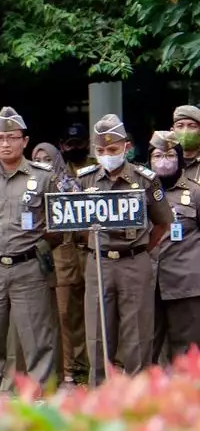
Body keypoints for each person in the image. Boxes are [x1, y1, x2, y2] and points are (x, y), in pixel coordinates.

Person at [0, 107, 59, 394]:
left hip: (29, 267)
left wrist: (34, 249)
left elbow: (57, 225)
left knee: (37, 339)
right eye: (0, 138)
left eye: (12, 137)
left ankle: (40, 400)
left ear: (25, 141)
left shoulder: (44, 177)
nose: (5, 144)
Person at [78, 113, 172, 384]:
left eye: (113, 149)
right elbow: (76, 222)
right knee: (97, 332)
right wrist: (96, 243)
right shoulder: (86, 180)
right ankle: (98, 394)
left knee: (137, 333)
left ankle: (135, 397)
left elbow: (162, 224)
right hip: (99, 262)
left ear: (126, 148)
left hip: (134, 261)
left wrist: (141, 249)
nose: (107, 155)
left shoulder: (145, 180)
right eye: (100, 150)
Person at [33, 141, 88, 383]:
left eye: (47, 159)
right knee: (44, 315)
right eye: (38, 159)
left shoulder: (70, 185)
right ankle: (52, 370)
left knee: (68, 314)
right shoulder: (29, 185)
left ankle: (72, 370)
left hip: (64, 255)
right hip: (36, 256)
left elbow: (80, 227)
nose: (43, 164)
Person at [151, 131, 200, 361]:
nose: (164, 160)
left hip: (185, 282)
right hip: (147, 281)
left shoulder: (194, 191)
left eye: (170, 155)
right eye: (158, 155)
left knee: (186, 351)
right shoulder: (141, 191)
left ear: (180, 159)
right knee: (148, 348)